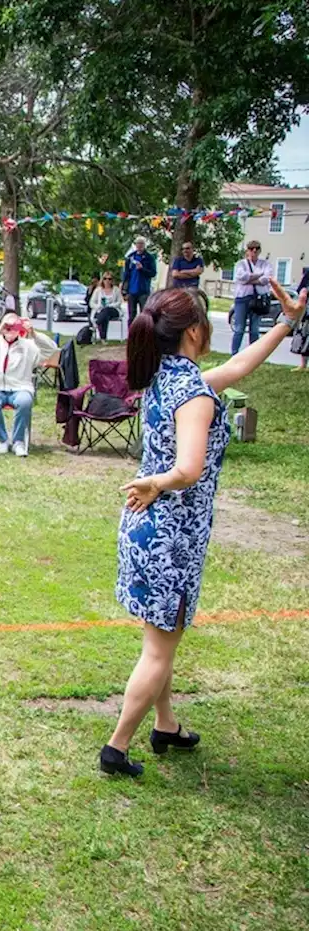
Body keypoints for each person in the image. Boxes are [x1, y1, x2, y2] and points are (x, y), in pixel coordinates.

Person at [103, 281, 306, 777]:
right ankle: (116, 748)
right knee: (159, 647)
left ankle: (165, 726)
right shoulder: (193, 393)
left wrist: (288, 321)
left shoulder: (168, 379)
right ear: (194, 330)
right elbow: (189, 469)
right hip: (171, 535)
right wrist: (160, 481)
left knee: (161, 637)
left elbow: (238, 367)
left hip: (146, 527)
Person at [0, 314, 58, 456]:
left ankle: (18, 441)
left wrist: (34, 334)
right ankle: (3, 439)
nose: (10, 331)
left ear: (20, 329)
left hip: (20, 387)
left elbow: (51, 349)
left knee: (24, 402)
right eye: (7, 327)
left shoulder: (28, 345)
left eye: (14, 327)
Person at [229, 239, 274, 354]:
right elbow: (241, 277)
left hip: (257, 299)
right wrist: (258, 275)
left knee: (254, 329)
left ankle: (253, 354)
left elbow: (266, 279)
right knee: (239, 328)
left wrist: (250, 279)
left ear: (259, 250)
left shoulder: (265, 264)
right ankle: (234, 353)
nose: (254, 251)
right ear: (247, 251)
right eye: (251, 248)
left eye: (257, 248)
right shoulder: (241, 264)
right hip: (242, 298)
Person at [122, 236, 157, 324]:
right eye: (138, 243)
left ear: (144, 245)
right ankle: (131, 335)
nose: (139, 246)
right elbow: (126, 274)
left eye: (141, 244)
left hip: (143, 290)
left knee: (144, 315)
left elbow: (153, 273)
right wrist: (124, 289)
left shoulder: (149, 258)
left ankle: (143, 335)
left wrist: (142, 268)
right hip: (132, 291)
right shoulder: (130, 257)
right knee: (131, 316)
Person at [87, 272, 124, 342]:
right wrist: (98, 306)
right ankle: (103, 338)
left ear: (112, 280)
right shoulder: (98, 290)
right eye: (105, 279)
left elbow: (119, 302)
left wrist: (111, 305)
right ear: (102, 280)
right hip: (100, 310)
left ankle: (97, 324)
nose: (107, 281)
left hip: (113, 310)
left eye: (109, 279)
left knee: (106, 311)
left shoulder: (116, 289)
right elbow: (91, 303)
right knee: (104, 315)